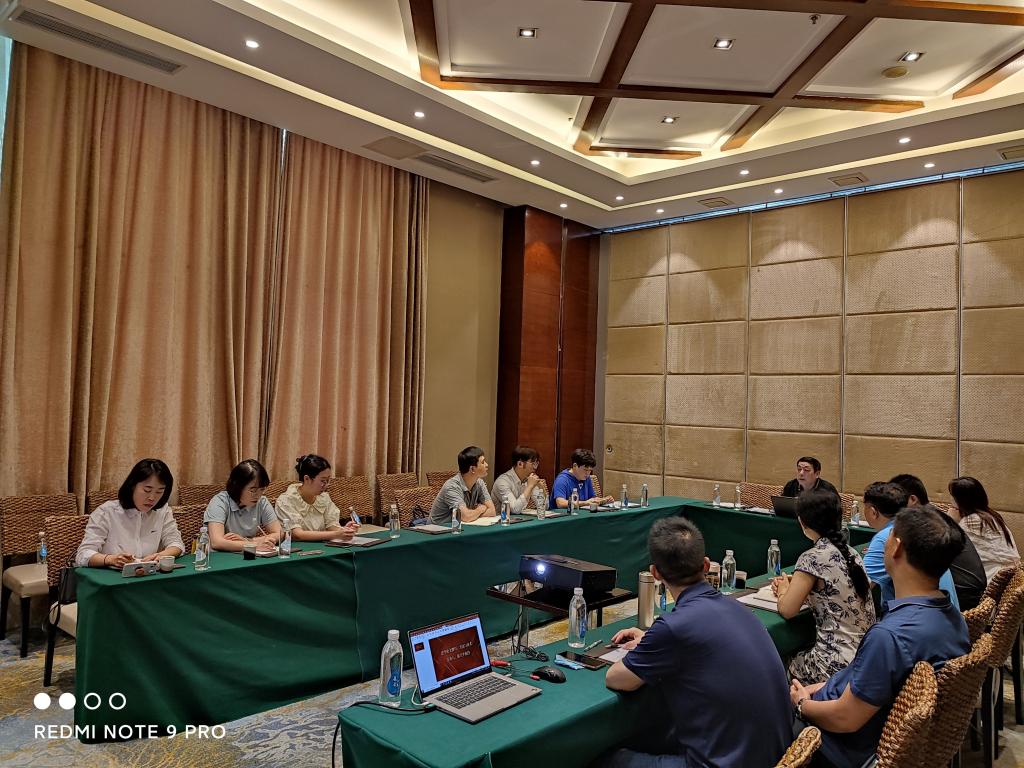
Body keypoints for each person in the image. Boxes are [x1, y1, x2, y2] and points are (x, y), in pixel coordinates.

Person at [602, 517, 792, 768]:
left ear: (655, 573)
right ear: (706, 565)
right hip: (777, 754)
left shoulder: (673, 627)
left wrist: (654, 645)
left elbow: (616, 679)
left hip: (723, 763)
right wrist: (652, 642)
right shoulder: (739, 607)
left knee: (608, 760)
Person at [791, 505, 970, 768]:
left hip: (834, 745)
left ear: (896, 547)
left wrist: (801, 704)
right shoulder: (953, 617)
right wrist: (821, 687)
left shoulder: (890, 636)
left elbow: (845, 719)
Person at [772, 491, 875, 684]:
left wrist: (784, 589)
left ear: (802, 521)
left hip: (834, 666)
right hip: (866, 658)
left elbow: (787, 610)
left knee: (777, 661)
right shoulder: (852, 553)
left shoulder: (811, 557)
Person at [889, 474, 986, 611]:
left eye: (895, 500)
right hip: (970, 590)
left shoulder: (923, 523)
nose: (892, 505)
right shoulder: (933, 516)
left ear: (912, 499)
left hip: (962, 596)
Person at [861, 481, 960, 611]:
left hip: (915, 615)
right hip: (946, 610)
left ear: (873, 512)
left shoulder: (887, 537)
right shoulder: (921, 526)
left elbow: (860, 588)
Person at [75, 459, 185, 568]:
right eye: (147, 490)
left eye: (159, 492)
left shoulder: (163, 511)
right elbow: (83, 554)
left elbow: (176, 544)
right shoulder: (106, 512)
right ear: (132, 486)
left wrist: (161, 555)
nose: (152, 498)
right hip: (111, 575)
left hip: (150, 574)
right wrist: (111, 559)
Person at [947, 476, 1020, 581]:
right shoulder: (990, 515)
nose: (950, 499)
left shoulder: (973, 520)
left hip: (992, 576)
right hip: (1007, 572)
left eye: (952, 495)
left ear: (962, 499)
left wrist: (951, 521)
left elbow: (952, 548)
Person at [275, 454, 357, 543]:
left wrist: (345, 531)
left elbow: (331, 526)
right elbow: (297, 534)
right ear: (307, 479)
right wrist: (336, 534)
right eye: (323, 481)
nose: (326, 485)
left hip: (323, 546)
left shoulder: (323, 498)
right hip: (298, 548)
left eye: (328, 480)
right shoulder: (286, 501)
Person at [204, 459, 282, 552]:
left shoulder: (262, 502)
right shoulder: (220, 502)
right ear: (238, 487)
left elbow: (280, 533)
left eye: (262, 489)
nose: (258, 495)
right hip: (219, 556)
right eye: (253, 490)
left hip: (247, 554)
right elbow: (217, 542)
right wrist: (254, 545)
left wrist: (247, 541)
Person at [429, 446, 496, 525]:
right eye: (483, 462)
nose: (487, 465)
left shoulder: (479, 483)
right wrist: (480, 509)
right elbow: (466, 516)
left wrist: (473, 514)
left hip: (460, 527)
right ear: (472, 469)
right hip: (437, 529)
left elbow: (492, 511)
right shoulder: (452, 486)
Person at [490, 445, 542, 515]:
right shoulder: (502, 482)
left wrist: (540, 488)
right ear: (520, 464)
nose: (535, 468)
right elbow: (514, 509)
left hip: (521, 519)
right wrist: (529, 487)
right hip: (502, 519)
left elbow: (544, 507)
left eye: (536, 463)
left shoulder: (529, 479)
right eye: (533, 463)